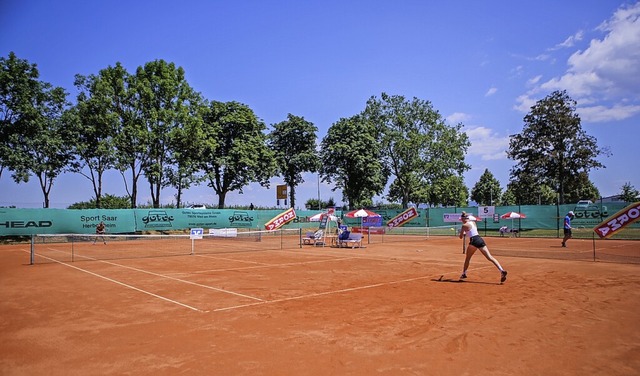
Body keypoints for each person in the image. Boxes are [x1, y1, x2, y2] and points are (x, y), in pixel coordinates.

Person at [459, 211, 507, 283]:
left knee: (467, 258)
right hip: (480, 239)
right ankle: (501, 270)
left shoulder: (464, 225)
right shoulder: (473, 222)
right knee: (490, 257)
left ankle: (464, 273)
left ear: (463, 219)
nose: (461, 221)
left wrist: (463, 232)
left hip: (473, 241)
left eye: (461, 219)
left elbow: (460, 237)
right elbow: (472, 230)